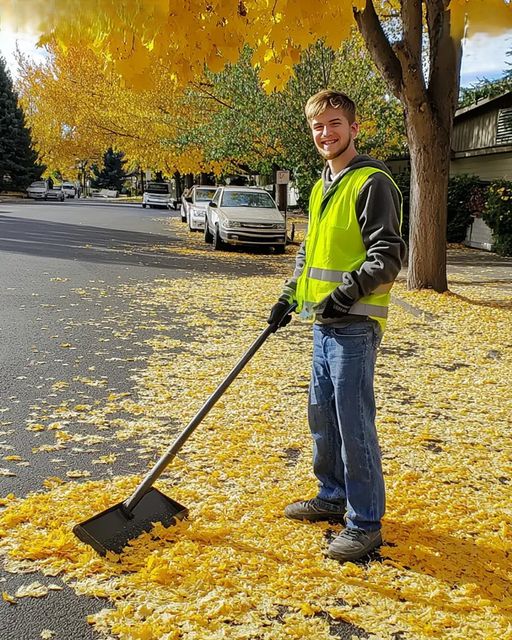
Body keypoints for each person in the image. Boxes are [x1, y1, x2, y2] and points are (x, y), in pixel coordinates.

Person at [267, 89, 406, 562]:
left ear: (353, 127)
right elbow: (310, 256)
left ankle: (365, 523)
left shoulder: (371, 183)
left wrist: (343, 295)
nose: (326, 134)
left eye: (334, 124)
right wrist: (289, 296)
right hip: (322, 326)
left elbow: (388, 258)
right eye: (318, 127)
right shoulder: (322, 185)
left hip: (355, 325)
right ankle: (331, 497)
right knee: (322, 418)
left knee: (354, 424)